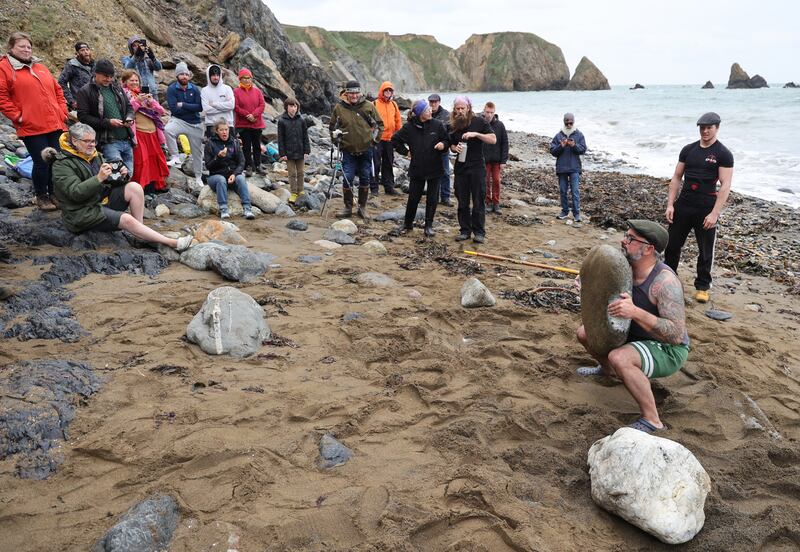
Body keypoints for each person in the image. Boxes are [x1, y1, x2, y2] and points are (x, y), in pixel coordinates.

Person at [576, 220, 689, 433]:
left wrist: (635, 311)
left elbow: (675, 334)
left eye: (631, 239)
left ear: (649, 249)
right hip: (635, 335)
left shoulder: (665, 283)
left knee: (620, 357)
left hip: (667, 348)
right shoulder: (624, 268)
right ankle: (607, 372)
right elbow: (602, 294)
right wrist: (587, 283)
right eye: (625, 235)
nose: (623, 241)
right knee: (584, 333)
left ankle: (652, 419)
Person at [46, 123, 192, 251]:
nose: (92, 145)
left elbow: (108, 181)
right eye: (87, 141)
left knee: (134, 187)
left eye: (93, 141)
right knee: (126, 219)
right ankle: (171, 243)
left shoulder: (92, 155)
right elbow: (75, 193)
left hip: (98, 201)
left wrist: (121, 176)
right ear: (74, 141)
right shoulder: (61, 164)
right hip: (80, 212)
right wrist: (98, 178)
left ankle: (140, 234)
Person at [664, 112, 734, 304]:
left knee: (705, 250)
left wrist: (714, 213)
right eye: (702, 127)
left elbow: (725, 185)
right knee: (672, 245)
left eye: (709, 127)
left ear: (717, 128)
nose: (705, 131)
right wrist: (671, 204)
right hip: (684, 204)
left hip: (706, 207)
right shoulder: (688, 150)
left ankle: (703, 286)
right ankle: (669, 278)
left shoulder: (723, 154)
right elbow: (677, 177)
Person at [0, 32, 68, 211]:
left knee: (57, 161)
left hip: (54, 122)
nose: (26, 49)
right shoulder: (4, 67)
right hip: (32, 126)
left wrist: (62, 111)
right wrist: (18, 116)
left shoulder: (40, 66)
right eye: (21, 46)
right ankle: (42, 196)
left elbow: (58, 89)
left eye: (28, 46)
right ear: (11, 48)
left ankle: (55, 194)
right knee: (41, 162)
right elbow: (2, 97)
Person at [391, 99, 449, 237]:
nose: (430, 111)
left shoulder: (437, 125)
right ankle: (408, 224)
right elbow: (395, 140)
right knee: (413, 198)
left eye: (430, 109)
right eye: (427, 110)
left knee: (432, 198)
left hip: (435, 168)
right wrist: (406, 152)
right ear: (420, 114)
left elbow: (447, 140)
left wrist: (443, 145)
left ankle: (428, 226)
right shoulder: (409, 127)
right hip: (417, 168)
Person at [328, 80, 384, 219]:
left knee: (365, 177)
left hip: (366, 150)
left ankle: (362, 207)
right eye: (351, 93)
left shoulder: (368, 106)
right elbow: (332, 128)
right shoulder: (339, 108)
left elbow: (379, 125)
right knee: (347, 178)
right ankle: (348, 207)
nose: (354, 95)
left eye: (356, 92)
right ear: (346, 93)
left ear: (360, 92)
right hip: (348, 151)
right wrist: (337, 141)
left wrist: (374, 141)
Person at [448, 96, 495, 244]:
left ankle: (479, 232)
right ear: (454, 109)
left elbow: (493, 139)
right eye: (458, 109)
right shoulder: (453, 124)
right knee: (462, 201)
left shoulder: (479, 121)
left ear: (468, 108)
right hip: (461, 167)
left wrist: (476, 134)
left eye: (463, 108)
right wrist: (455, 148)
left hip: (477, 167)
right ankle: (465, 231)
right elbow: (451, 144)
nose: (460, 111)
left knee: (478, 200)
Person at [76, 59, 135, 175]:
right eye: (105, 76)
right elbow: (83, 117)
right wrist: (108, 122)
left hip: (126, 139)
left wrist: (129, 117)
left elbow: (129, 107)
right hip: (108, 142)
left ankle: (126, 193)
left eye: (111, 76)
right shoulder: (85, 91)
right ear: (96, 73)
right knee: (116, 176)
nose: (109, 79)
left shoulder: (116, 87)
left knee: (128, 174)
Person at [120, 69, 169, 192]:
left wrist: (151, 101)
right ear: (125, 82)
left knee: (155, 160)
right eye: (131, 80)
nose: (135, 83)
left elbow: (161, 111)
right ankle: (140, 187)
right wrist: (138, 101)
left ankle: (156, 186)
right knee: (142, 161)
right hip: (139, 133)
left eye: (136, 80)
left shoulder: (143, 94)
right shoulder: (123, 94)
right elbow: (126, 111)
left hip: (152, 132)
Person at [203, 119, 255, 220]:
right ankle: (223, 209)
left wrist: (234, 174)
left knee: (240, 178)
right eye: (221, 130)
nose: (224, 132)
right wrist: (218, 157)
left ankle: (247, 209)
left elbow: (242, 162)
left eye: (226, 129)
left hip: (231, 175)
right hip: (215, 176)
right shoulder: (210, 143)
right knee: (221, 180)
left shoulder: (234, 142)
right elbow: (208, 166)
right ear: (217, 131)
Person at [164, 62, 204, 190]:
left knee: (197, 153)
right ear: (177, 76)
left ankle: (198, 177)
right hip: (179, 120)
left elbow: (200, 107)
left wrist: (184, 105)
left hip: (195, 123)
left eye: (186, 74)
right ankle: (175, 157)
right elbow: (174, 109)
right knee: (168, 129)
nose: (184, 76)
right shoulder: (171, 89)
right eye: (181, 74)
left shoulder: (194, 89)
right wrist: (188, 107)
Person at [549, 112, 587, 222]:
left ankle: (576, 213)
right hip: (562, 168)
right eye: (567, 122)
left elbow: (583, 149)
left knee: (575, 191)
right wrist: (561, 146)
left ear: (573, 122)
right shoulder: (558, 135)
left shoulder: (579, 135)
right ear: (564, 122)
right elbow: (552, 151)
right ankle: (564, 211)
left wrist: (574, 145)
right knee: (563, 190)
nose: (569, 125)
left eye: (571, 122)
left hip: (575, 168)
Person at [233, 68, 266, 177]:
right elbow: (236, 106)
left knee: (257, 145)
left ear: (251, 79)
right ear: (240, 79)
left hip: (256, 123)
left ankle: (258, 164)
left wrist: (254, 115)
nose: (247, 80)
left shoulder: (257, 91)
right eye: (244, 78)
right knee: (246, 146)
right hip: (244, 124)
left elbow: (262, 105)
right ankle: (248, 166)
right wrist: (247, 115)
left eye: (249, 78)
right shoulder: (236, 92)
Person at [277, 97, 310, 203]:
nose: (293, 109)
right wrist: (282, 153)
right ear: (286, 107)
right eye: (291, 106)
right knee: (292, 173)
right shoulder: (282, 121)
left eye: (295, 106)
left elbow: (305, 136)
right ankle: (294, 192)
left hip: (300, 151)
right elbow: (280, 138)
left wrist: (307, 150)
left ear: (297, 107)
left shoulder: (301, 120)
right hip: (288, 153)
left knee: (301, 172)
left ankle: (301, 190)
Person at [372, 81, 401, 195]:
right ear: (382, 91)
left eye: (390, 90)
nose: (388, 92)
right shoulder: (374, 104)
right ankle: (374, 188)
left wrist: (399, 136)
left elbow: (398, 121)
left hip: (390, 139)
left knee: (388, 163)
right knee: (376, 164)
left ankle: (389, 187)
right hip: (377, 139)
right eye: (386, 90)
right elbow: (369, 121)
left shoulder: (394, 105)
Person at [482, 101, 509, 214]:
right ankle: (488, 202)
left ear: (494, 113)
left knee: (497, 181)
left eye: (491, 112)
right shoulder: (482, 124)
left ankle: (496, 203)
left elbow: (505, 143)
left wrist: (504, 160)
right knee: (486, 181)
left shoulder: (500, 125)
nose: (489, 114)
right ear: (484, 111)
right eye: (487, 112)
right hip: (484, 159)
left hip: (497, 160)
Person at [428, 93, 452, 206]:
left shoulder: (447, 115)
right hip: (430, 151)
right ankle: (434, 196)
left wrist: (447, 144)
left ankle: (445, 197)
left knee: (446, 173)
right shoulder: (426, 113)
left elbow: (451, 133)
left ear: (439, 102)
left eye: (435, 102)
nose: (433, 104)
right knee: (431, 174)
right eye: (431, 102)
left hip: (443, 150)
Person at [58, 41, 95, 111]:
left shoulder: (95, 65)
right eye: (82, 50)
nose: (86, 52)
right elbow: (61, 83)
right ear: (77, 53)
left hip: (95, 104)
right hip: (80, 105)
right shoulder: (72, 65)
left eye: (87, 50)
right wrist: (71, 101)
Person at [123, 37, 162, 101]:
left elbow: (159, 67)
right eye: (134, 46)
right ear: (131, 48)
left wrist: (153, 57)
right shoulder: (127, 59)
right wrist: (136, 56)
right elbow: (128, 68)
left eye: (138, 45)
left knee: (156, 110)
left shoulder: (147, 59)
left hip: (152, 93)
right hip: (137, 94)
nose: (137, 47)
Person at [201, 64, 235, 137]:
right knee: (213, 148)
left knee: (231, 148)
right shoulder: (204, 91)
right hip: (211, 125)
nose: (216, 77)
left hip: (228, 125)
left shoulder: (227, 88)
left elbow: (231, 105)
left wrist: (214, 104)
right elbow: (207, 110)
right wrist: (225, 107)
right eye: (213, 75)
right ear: (208, 76)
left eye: (217, 75)